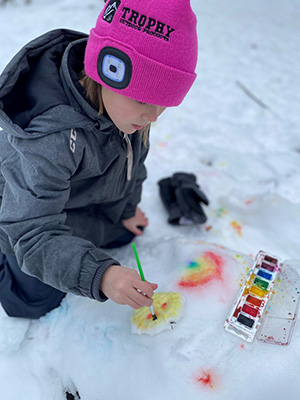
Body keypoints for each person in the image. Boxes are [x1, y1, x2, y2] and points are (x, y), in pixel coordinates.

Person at [0, 0, 198, 319]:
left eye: (164, 105)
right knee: (31, 299)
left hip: (78, 202)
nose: (154, 117)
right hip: (23, 216)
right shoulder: (49, 138)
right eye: (144, 101)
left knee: (123, 233)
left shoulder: (126, 111)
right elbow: (32, 233)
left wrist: (127, 208)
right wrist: (102, 276)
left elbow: (133, 162)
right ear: (109, 70)